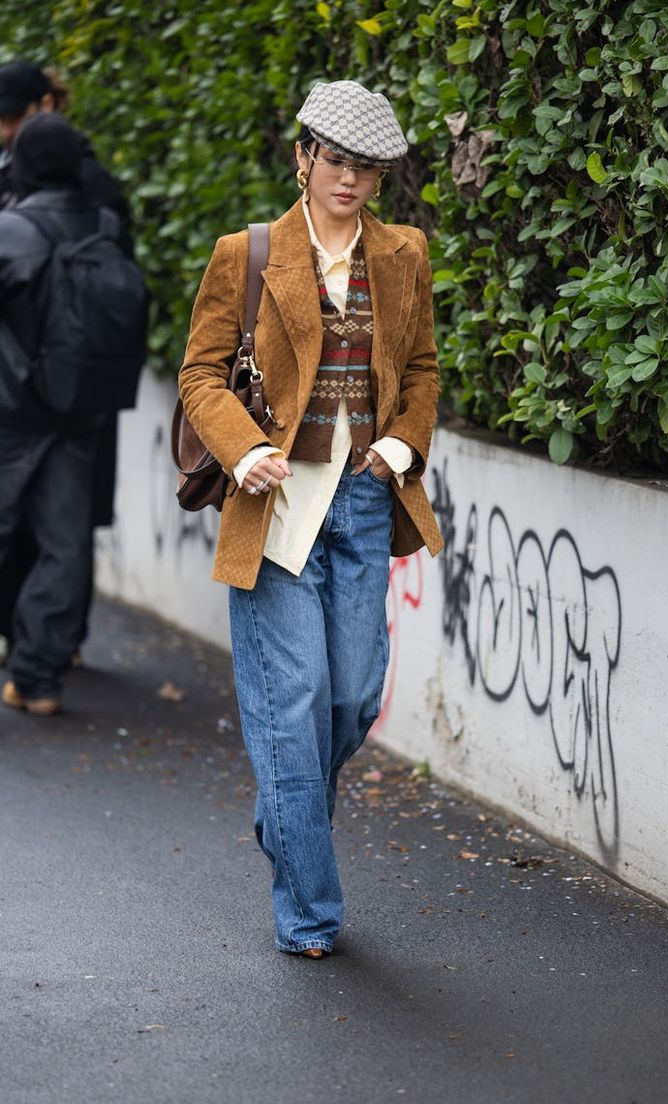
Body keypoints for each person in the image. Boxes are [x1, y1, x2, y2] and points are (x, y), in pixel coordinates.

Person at [179, 79, 443, 957]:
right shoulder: (247, 254)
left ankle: (285, 818)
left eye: (366, 167)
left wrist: (401, 445)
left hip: (364, 501)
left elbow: (422, 373)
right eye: (335, 160)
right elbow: (199, 375)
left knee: (351, 698)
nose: (349, 178)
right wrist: (242, 447)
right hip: (276, 506)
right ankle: (310, 913)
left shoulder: (402, 255)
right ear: (304, 157)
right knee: (293, 708)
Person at [0, 60, 131, 659]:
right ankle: (47, 658)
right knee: (66, 530)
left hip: (17, 394)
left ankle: (30, 644)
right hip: (83, 392)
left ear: (42, 106)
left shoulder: (17, 212)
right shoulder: (101, 201)